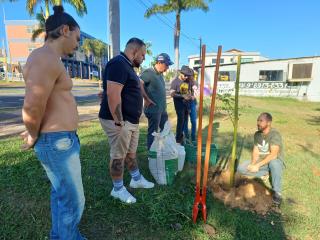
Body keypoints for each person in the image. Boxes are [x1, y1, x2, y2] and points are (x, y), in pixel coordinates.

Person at [21, 6, 85, 239]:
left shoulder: (49, 59)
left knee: (62, 194)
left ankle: (61, 236)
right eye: (78, 38)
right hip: (56, 142)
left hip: (61, 141)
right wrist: (32, 134)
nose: (78, 45)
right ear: (65, 30)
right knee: (73, 199)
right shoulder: (45, 57)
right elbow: (31, 106)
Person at [99, 38, 154, 204]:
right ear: (134, 50)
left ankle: (136, 179)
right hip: (119, 121)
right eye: (143, 54)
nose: (144, 58)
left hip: (131, 121)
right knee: (118, 156)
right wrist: (118, 121)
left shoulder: (128, 66)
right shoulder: (118, 64)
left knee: (130, 153)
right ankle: (117, 189)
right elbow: (113, 94)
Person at [237, 112, 284, 205]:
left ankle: (277, 192)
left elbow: (274, 155)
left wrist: (258, 166)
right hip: (261, 161)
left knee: (274, 164)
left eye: (261, 121)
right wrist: (253, 164)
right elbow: (256, 151)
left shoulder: (274, 135)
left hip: (273, 160)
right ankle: (265, 173)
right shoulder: (257, 134)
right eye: (257, 120)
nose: (258, 123)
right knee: (240, 168)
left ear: (269, 123)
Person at [140, 53, 174, 149]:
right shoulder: (149, 72)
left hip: (162, 110)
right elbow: (139, 83)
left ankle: (165, 150)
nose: (167, 68)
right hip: (153, 110)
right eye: (167, 65)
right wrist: (146, 98)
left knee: (165, 130)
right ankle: (151, 155)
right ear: (159, 62)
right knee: (153, 132)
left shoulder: (160, 75)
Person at [170, 65, 194, 144]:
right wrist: (182, 96)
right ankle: (178, 139)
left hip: (186, 106)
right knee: (180, 122)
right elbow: (172, 94)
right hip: (179, 106)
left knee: (185, 122)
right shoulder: (175, 82)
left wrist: (190, 96)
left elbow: (188, 92)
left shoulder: (187, 81)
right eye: (185, 75)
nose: (186, 77)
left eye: (188, 75)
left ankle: (183, 138)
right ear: (181, 73)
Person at [183, 69, 198, 142]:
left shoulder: (194, 83)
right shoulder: (184, 83)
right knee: (185, 121)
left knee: (193, 121)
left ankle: (193, 138)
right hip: (185, 104)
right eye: (190, 76)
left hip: (192, 103)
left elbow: (195, 94)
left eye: (192, 75)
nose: (191, 77)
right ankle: (186, 137)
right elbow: (184, 95)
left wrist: (193, 97)